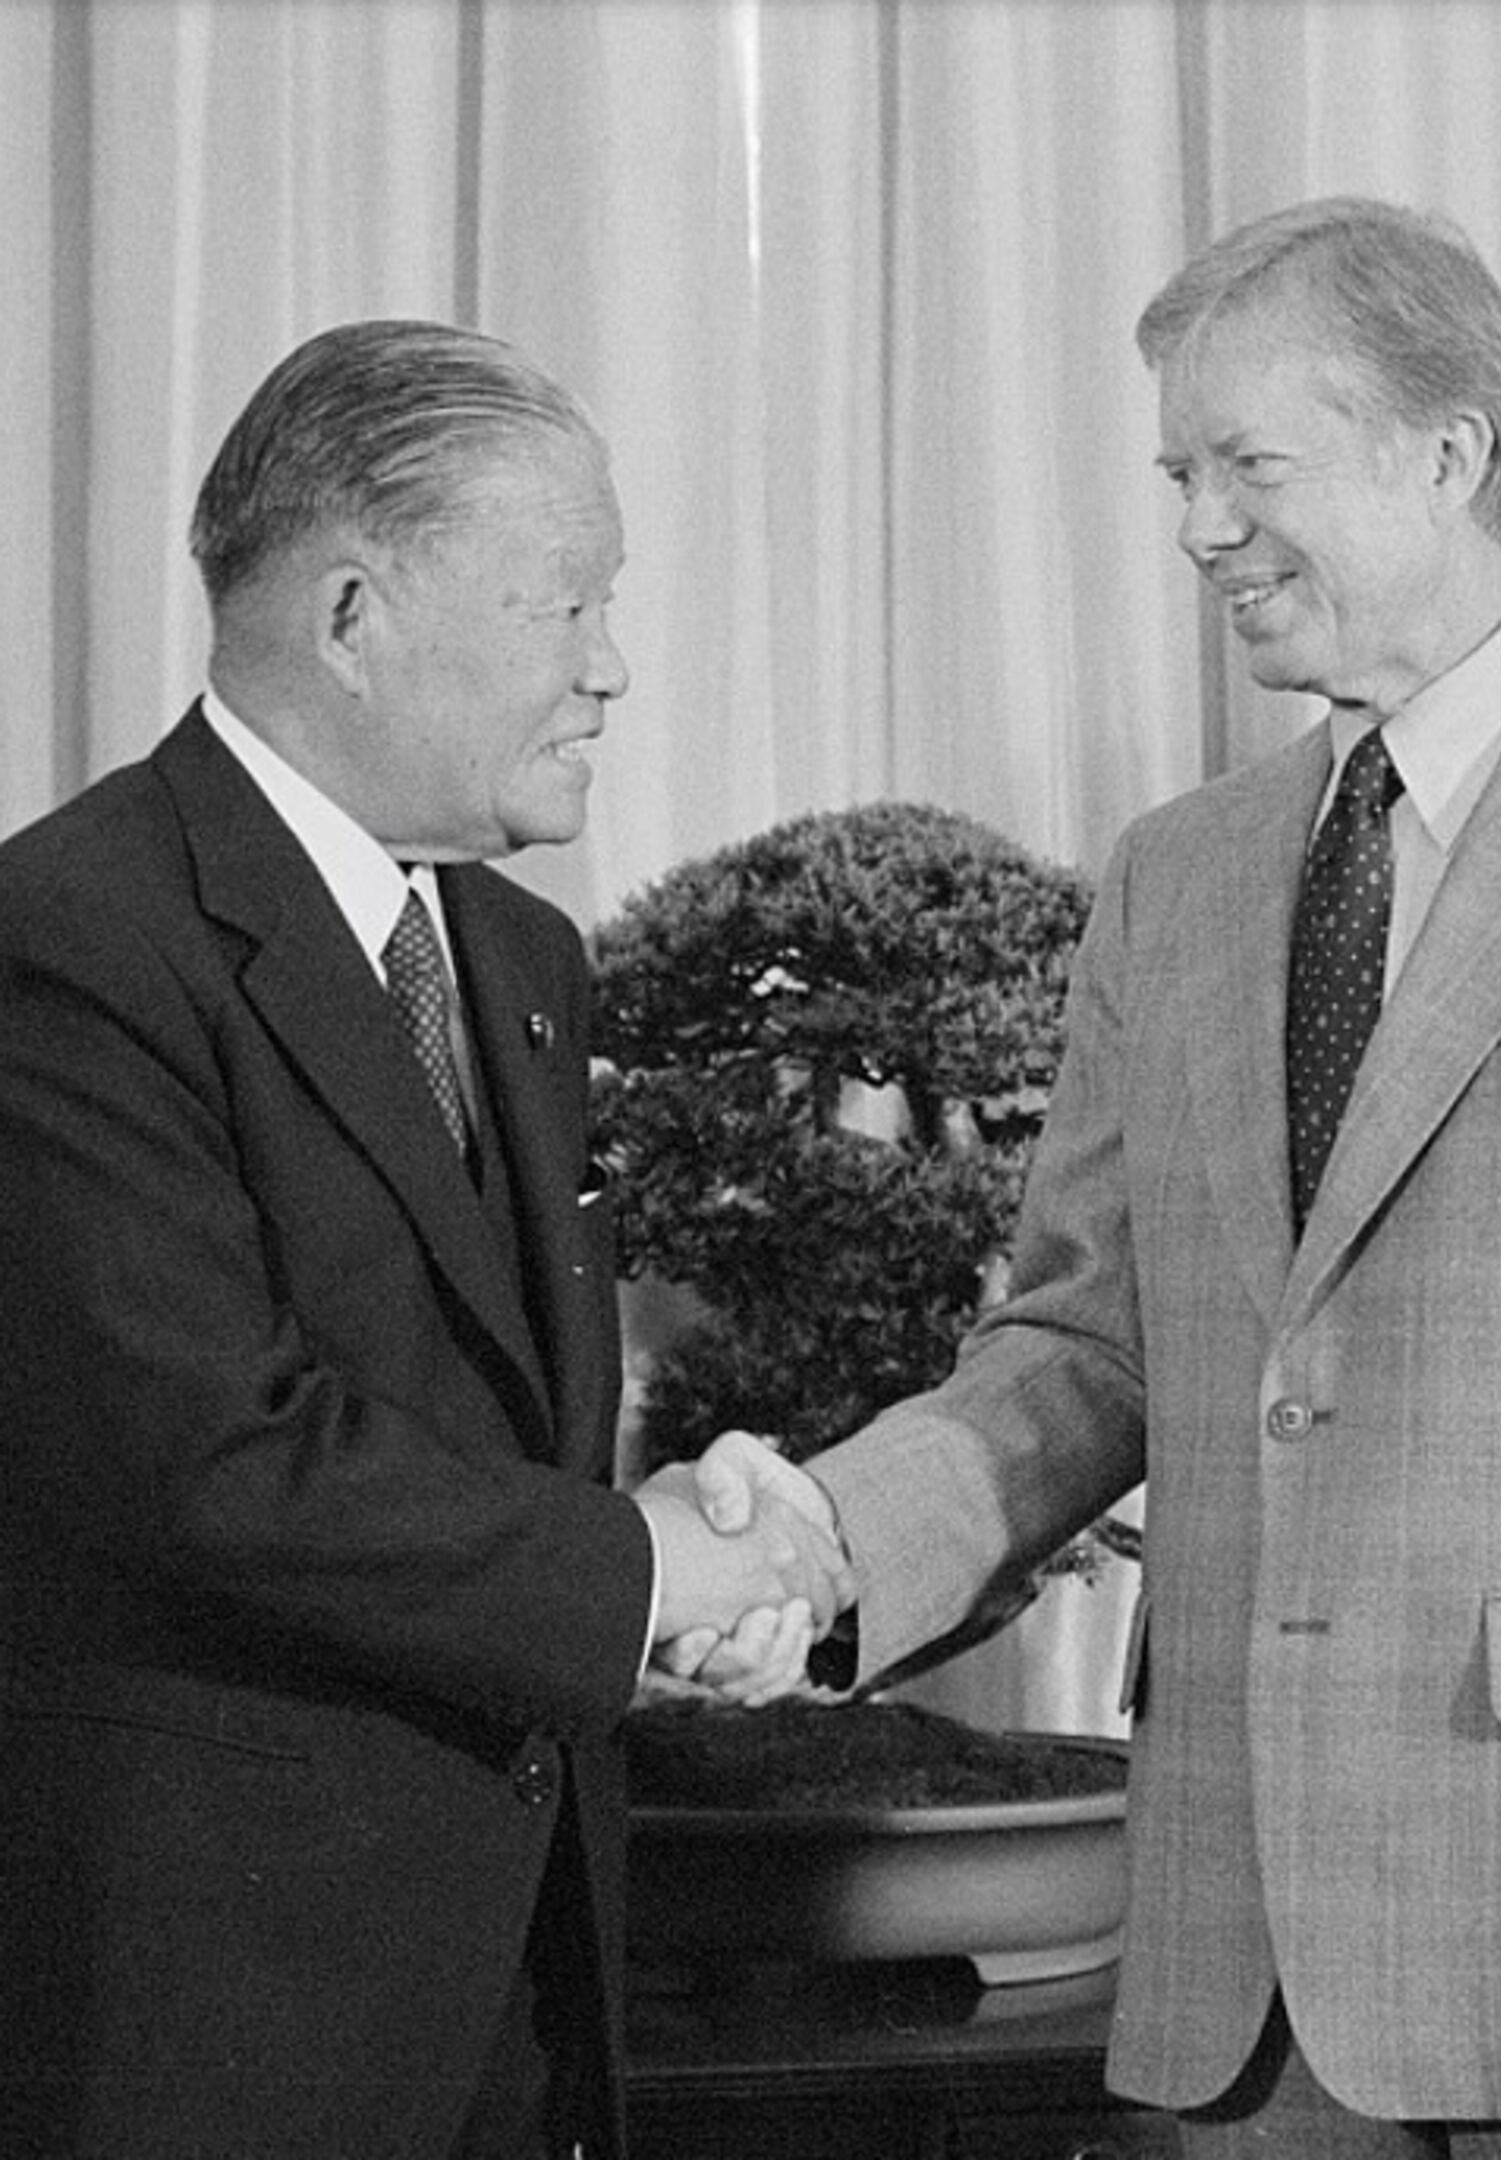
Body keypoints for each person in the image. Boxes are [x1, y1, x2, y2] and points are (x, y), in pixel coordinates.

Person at [688, 198, 1501, 2158]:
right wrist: (821, 1550)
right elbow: (1083, 1352)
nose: (1198, 526)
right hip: (1239, 1977)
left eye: (1245, 465)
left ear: (1446, 455)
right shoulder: (1175, 877)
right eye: (1181, 475)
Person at [0, 320, 848, 2159]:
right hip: (217, 2015)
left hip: (525, 1985)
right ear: (353, 612)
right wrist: (639, 1581)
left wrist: (684, 1536)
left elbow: (487, 1421)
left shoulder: (524, 957)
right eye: (567, 607)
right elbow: (209, 1458)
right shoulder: (72, 938)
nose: (613, 669)